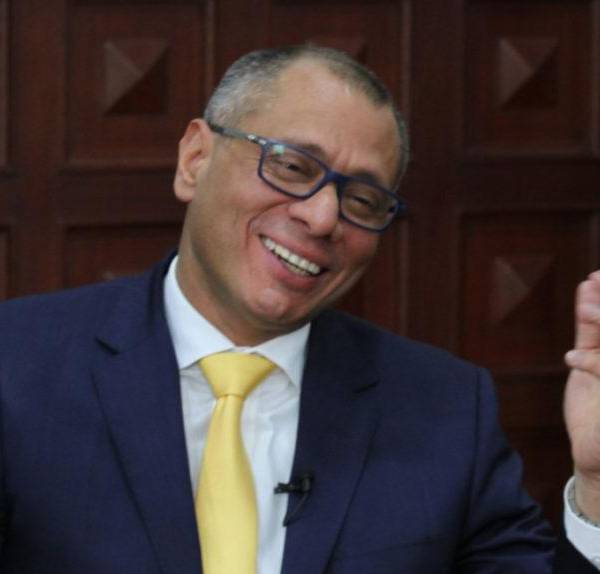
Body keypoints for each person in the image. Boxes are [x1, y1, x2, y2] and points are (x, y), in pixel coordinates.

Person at [0, 44, 599, 573]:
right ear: (195, 159)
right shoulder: (16, 367)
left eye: (362, 199)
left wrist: (597, 488)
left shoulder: (444, 409)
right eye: (291, 166)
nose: (321, 217)